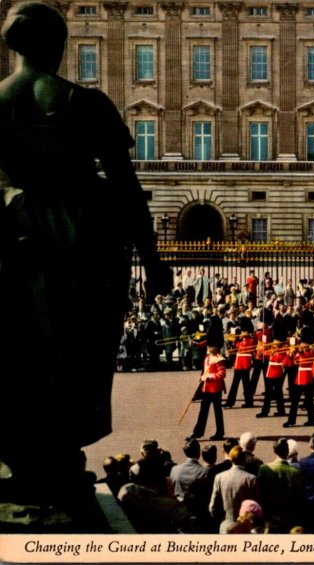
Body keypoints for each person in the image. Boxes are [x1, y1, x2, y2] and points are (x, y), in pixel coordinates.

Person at [0, 1, 172, 524]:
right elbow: (126, 187)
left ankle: (21, 461)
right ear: (58, 46)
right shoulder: (84, 102)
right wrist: (151, 258)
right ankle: (56, 458)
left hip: (11, 231)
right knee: (76, 354)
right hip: (80, 238)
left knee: (16, 354)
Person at [190, 345, 227, 441]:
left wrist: (209, 377)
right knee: (203, 411)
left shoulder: (219, 359)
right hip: (206, 389)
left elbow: (222, 374)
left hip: (215, 389)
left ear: (216, 348)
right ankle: (197, 432)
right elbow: (204, 372)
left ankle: (220, 433)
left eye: (211, 346)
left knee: (217, 412)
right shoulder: (207, 358)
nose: (209, 348)